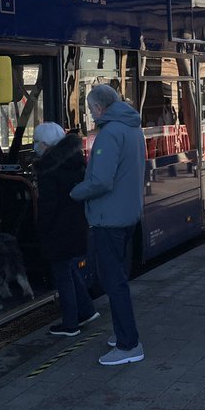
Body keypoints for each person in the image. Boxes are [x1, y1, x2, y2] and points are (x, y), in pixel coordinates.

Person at [71, 84, 146, 366]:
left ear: (100, 108)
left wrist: (75, 192)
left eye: (90, 109)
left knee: (113, 282)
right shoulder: (132, 128)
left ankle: (128, 345)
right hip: (127, 215)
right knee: (119, 279)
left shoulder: (109, 133)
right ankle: (122, 333)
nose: (91, 115)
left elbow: (101, 181)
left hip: (108, 219)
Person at [32, 123, 100, 337]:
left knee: (62, 274)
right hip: (76, 224)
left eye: (35, 143)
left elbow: (47, 206)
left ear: (45, 144)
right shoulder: (75, 160)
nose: (34, 147)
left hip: (58, 229)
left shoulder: (49, 169)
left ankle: (70, 324)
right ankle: (87, 311)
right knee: (69, 268)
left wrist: (41, 229)